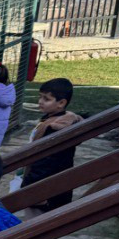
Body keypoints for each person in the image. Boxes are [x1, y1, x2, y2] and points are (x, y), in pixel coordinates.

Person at [14, 77, 83, 213]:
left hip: (46, 190)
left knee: (36, 220)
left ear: (61, 103)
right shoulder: (53, 120)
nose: (40, 101)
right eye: (40, 97)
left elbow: (46, 161)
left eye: (46, 99)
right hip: (53, 187)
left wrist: (28, 185)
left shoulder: (54, 128)